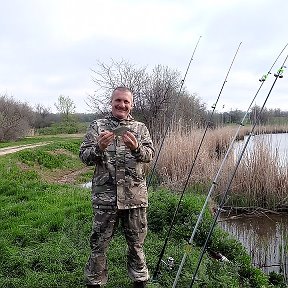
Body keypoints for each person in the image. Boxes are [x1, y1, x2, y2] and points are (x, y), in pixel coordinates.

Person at [79, 86, 155, 288]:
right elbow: (84, 157)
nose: (122, 105)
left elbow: (149, 155)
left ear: (131, 104)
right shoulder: (98, 126)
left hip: (135, 198)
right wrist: (98, 148)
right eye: (118, 101)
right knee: (99, 245)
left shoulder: (140, 128)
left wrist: (137, 148)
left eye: (126, 102)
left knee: (137, 245)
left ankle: (140, 280)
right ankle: (95, 282)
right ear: (111, 102)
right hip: (105, 199)